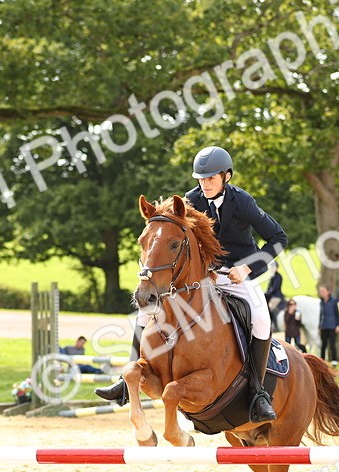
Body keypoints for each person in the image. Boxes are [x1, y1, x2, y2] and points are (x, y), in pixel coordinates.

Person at [96, 145, 288, 423]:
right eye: (201, 178)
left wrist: (247, 268)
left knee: (260, 318)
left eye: (211, 178)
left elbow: (278, 238)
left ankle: (258, 394)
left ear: (227, 176)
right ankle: (126, 381)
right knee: (144, 312)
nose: (205, 183)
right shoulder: (189, 200)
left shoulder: (242, 201)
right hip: (202, 276)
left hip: (238, 273)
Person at [318, 285, 339, 363]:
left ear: (328, 292)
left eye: (323, 291)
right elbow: (320, 315)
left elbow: (337, 314)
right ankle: (322, 360)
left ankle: (334, 360)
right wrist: (319, 326)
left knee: (332, 344)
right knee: (323, 345)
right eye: (320, 291)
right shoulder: (321, 302)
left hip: (332, 326)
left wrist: (337, 325)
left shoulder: (333, 301)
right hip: (324, 326)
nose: (321, 293)